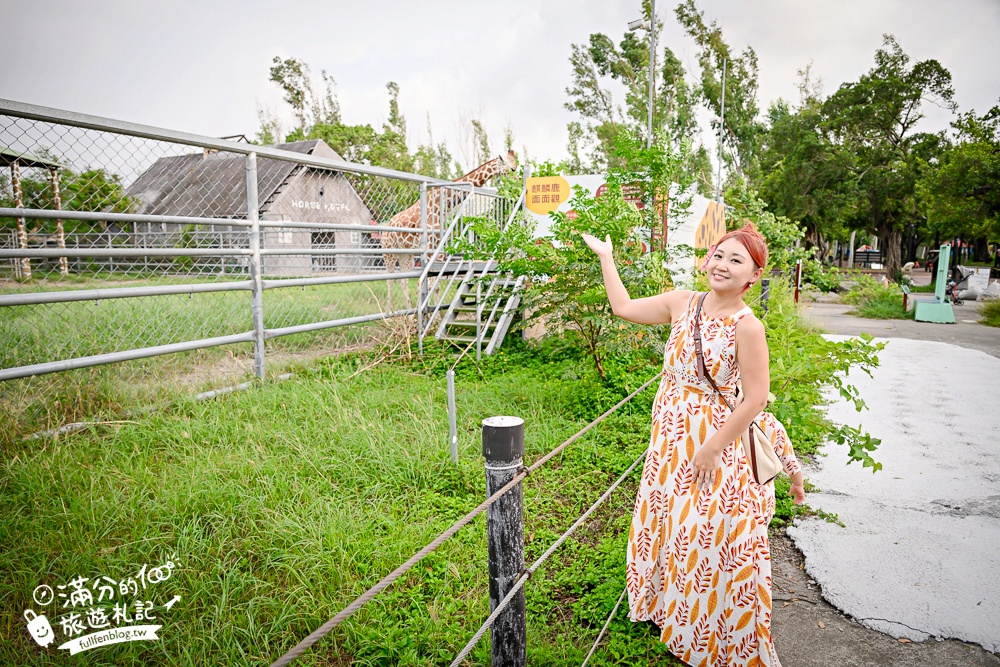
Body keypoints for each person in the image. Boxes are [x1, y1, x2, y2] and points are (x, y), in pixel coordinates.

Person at [582, 223, 806, 667]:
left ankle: (706, 628)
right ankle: (669, 609)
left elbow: (757, 398)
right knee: (670, 520)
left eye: (735, 260)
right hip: (670, 437)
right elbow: (623, 307)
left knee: (703, 532)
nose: (721, 264)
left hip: (716, 443)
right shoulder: (681, 302)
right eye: (718, 255)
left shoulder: (748, 326)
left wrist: (712, 448)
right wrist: (606, 256)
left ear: (753, 276)